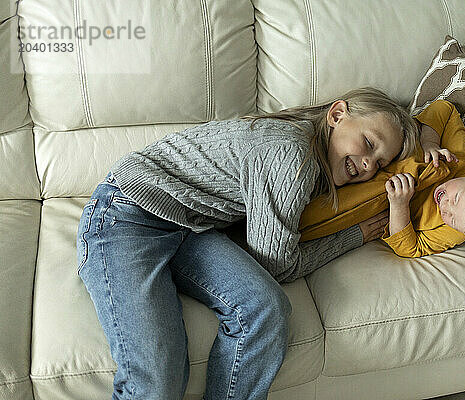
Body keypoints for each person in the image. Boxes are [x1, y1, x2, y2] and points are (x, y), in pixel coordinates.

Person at [76, 87, 419, 400]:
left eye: (381, 163)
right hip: (128, 212)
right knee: (156, 379)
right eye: (370, 145)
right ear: (336, 114)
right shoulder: (293, 156)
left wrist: (428, 146)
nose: (368, 165)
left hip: (193, 226)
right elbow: (276, 265)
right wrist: (353, 236)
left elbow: (438, 112)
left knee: (266, 309)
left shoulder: (315, 157)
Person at [299, 99, 465, 257]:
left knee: (306, 221)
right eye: (456, 200)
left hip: (367, 202)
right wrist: (430, 143)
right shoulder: (464, 158)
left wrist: (399, 206)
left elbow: (409, 248)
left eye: (454, 220)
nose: (445, 208)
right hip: (368, 161)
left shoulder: (455, 232)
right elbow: (443, 109)